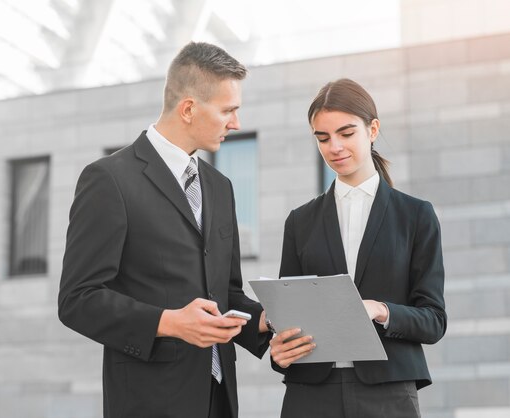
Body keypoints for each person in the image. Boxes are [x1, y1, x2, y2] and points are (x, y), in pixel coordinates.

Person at [58, 42, 275, 418]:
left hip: (219, 400)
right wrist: (170, 323)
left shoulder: (220, 186)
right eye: (228, 110)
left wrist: (265, 319)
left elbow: (226, 295)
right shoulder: (109, 180)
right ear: (188, 108)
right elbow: (78, 299)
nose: (236, 123)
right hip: (149, 401)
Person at [269, 78, 447, 418]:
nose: (334, 146)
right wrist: (281, 349)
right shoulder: (299, 221)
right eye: (323, 138)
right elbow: (288, 314)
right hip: (310, 393)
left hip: (388, 393)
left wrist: (379, 309)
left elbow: (434, 320)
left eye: (346, 133)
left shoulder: (416, 216)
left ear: (373, 129)